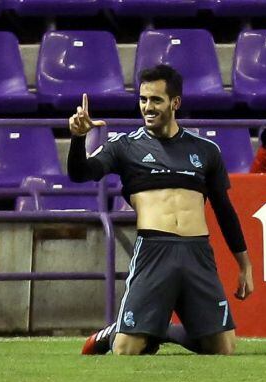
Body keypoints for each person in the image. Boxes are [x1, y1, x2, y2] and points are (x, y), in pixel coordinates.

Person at [68, 64, 254, 355]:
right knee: (125, 351)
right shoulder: (125, 147)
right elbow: (81, 173)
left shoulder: (205, 150)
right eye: (143, 100)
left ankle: (161, 330)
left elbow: (224, 210)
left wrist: (244, 265)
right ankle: (119, 331)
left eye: (156, 100)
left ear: (175, 102)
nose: (147, 107)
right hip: (154, 251)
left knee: (223, 349)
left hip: (197, 253)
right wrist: (78, 139)